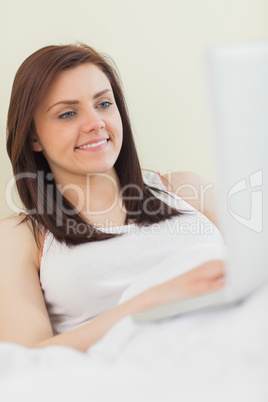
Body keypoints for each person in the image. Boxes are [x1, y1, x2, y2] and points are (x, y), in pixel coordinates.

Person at [0, 43, 225, 353]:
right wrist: (146, 304)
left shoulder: (187, 190)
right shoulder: (21, 237)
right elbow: (25, 357)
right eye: (67, 113)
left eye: (104, 104)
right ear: (33, 137)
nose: (95, 123)